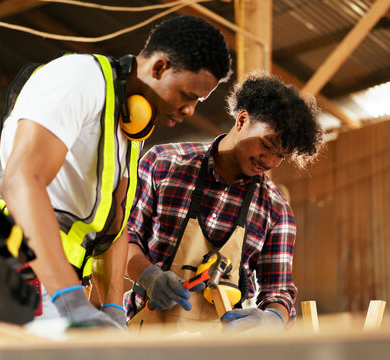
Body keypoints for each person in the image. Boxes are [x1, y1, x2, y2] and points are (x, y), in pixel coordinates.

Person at [0, 15, 232, 329]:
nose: (190, 111)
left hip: (59, 286)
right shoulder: (79, 78)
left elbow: (114, 224)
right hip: (14, 276)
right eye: (188, 96)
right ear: (158, 67)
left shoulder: (130, 126)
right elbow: (21, 182)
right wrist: (70, 298)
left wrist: (114, 307)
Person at [124, 71, 324, 333]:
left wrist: (272, 319)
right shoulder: (164, 163)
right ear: (242, 119)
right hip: (143, 338)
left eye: (281, 156)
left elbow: (279, 292)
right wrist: (148, 276)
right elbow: (124, 238)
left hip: (222, 346)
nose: (270, 161)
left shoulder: (276, 209)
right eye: (266, 144)